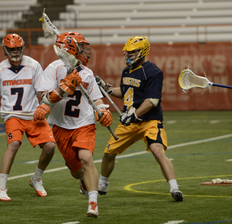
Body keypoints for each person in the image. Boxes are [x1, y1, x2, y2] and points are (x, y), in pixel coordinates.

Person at [34, 31, 113, 217]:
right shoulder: (54, 68)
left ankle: (93, 203)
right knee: (77, 172)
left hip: (84, 124)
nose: (86, 51)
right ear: (69, 49)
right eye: (81, 47)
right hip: (61, 127)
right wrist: (65, 86)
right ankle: (82, 181)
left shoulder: (87, 73)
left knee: (86, 158)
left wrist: (103, 112)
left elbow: (98, 101)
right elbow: (44, 97)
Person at [96, 36, 184, 202]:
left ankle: (174, 188)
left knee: (158, 151)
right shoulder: (126, 71)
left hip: (149, 120)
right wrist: (106, 88)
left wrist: (134, 114)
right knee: (108, 153)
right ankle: (102, 184)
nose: (129, 55)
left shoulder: (153, 71)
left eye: (133, 52)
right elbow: (126, 92)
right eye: (128, 52)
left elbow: (152, 100)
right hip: (129, 122)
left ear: (143, 52)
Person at [0, 33, 55, 201]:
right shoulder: (0, 69)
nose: (15, 52)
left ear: (23, 48)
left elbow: (43, 92)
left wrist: (44, 105)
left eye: (18, 48)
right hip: (12, 116)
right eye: (12, 49)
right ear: (5, 50)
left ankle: (36, 179)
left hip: (33, 114)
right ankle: (0, 189)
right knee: (14, 144)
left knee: (50, 147)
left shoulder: (33, 65)